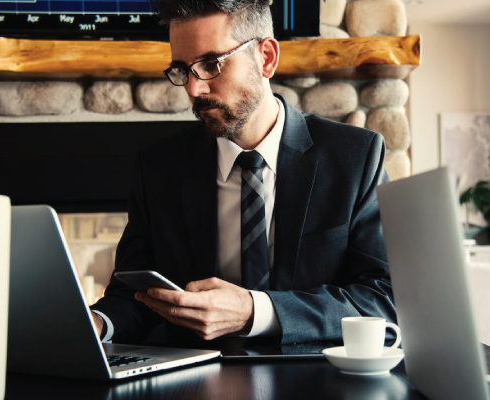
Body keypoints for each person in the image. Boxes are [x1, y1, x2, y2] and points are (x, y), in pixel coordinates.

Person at [90, 0, 395, 347]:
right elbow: (136, 297)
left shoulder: (355, 157)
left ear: (266, 58)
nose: (194, 89)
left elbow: (383, 297)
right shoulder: (157, 168)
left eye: (210, 64)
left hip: (315, 379)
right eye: (182, 70)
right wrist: (97, 323)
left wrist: (256, 311)